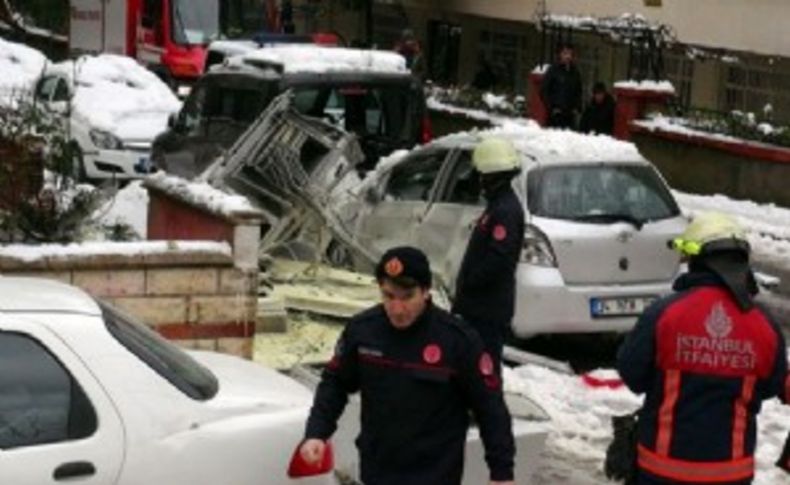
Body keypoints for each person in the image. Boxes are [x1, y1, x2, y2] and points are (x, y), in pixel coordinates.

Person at [300, 246, 516, 485]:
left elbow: (489, 407)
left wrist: (502, 472)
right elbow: (335, 383)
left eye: (407, 297)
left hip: (434, 475)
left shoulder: (457, 340)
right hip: (377, 471)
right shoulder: (364, 331)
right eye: (389, 296)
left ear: (425, 291)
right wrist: (317, 434)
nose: (397, 309)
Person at [617, 211, 788, 485]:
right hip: (732, 473)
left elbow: (632, 374)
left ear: (698, 259)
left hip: (662, 470)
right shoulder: (764, 325)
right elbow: (771, 385)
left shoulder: (664, 314)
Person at [452, 137, 525, 376]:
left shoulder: (505, 210)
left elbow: (499, 259)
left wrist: (471, 283)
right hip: (480, 305)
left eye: (482, 175)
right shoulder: (498, 205)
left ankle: (487, 410)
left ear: (492, 176)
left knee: (485, 369)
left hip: (486, 307)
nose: (480, 181)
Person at [540, 43, 583, 130]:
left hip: (570, 116)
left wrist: (577, 107)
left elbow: (579, 91)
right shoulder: (553, 70)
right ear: (560, 54)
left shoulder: (575, 72)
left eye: (570, 54)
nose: (568, 56)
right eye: (565, 53)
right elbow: (544, 90)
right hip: (555, 115)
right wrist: (552, 108)